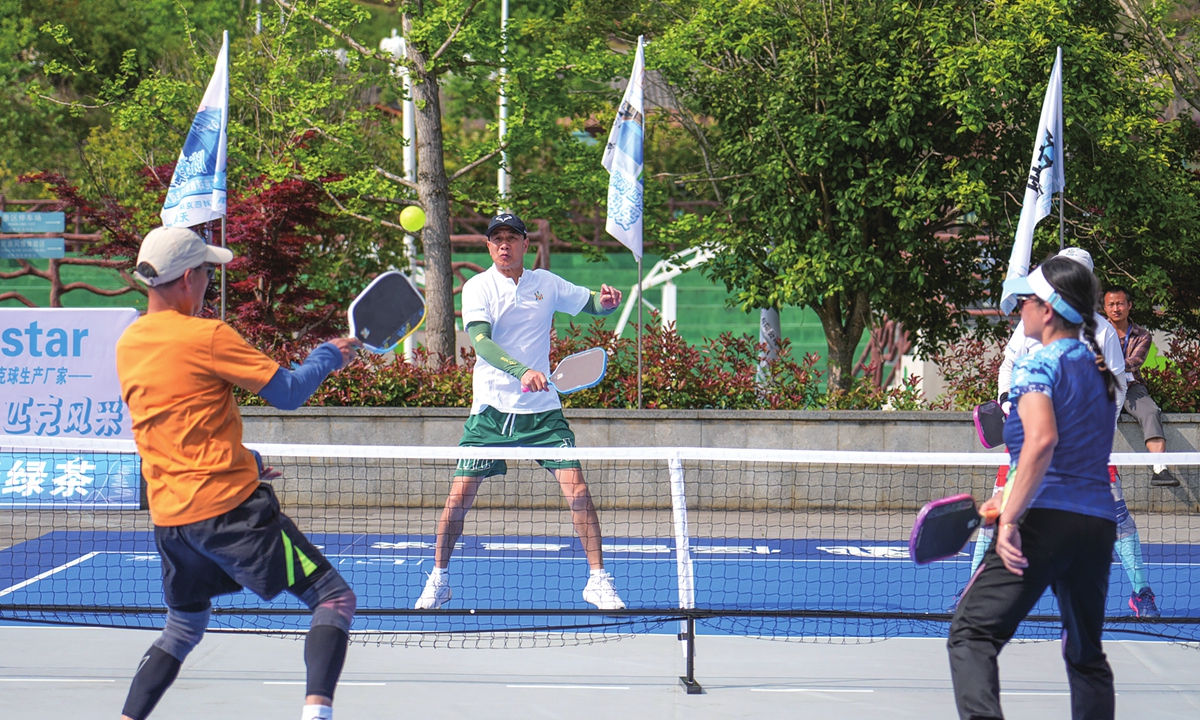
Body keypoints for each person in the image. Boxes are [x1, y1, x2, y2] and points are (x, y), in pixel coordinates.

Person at [115, 227, 360, 720]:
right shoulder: (206, 335)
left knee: (182, 630)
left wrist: (245, 461)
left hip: (172, 522)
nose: (209, 281)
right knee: (334, 598)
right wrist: (328, 356)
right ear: (187, 279)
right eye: (207, 272)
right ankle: (317, 715)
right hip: (229, 514)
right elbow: (288, 393)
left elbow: (176, 425)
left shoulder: (130, 342)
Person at [415, 212, 626, 611]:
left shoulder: (546, 284)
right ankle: (439, 578)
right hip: (491, 410)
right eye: (497, 239)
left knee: (578, 490)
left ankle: (598, 579)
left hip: (543, 412)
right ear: (489, 246)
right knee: (458, 497)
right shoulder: (478, 288)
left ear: (526, 245)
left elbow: (590, 304)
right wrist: (521, 371)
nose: (504, 245)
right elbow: (482, 342)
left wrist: (607, 302)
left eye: (512, 237)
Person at [948, 256, 1121, 720]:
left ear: (1048, 310)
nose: (1018, 307)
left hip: (1043, 522)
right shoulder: (1101, 370)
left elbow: (1043, 443)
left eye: (1026, 299)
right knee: (1086, 655)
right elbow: (1075, 457)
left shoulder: (1037, 364)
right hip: (1097, 524)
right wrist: (1009, 495)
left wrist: (1008, 518)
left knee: (971, 634)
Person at [967, 247, 1159, 618]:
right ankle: (975, 586)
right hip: (1030, 440)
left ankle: (1142, 592)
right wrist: (1007, 400)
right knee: (999, 509)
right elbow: (1008, 364)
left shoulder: (1102, 332)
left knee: (1116, 516)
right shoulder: (1033, 322)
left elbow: (1116, 386)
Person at [1103, 285, 1179, 487]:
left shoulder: (1142, 335)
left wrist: (1107, 363)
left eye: (1120, 303)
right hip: (1100, 385)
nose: (1116, 308)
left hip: (1131, 386)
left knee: (1151, 411)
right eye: (1111, 304)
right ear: (1104, 308)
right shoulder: (1097, 331)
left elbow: (1135, 361)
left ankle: (1159, 468)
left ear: (1129, 305)